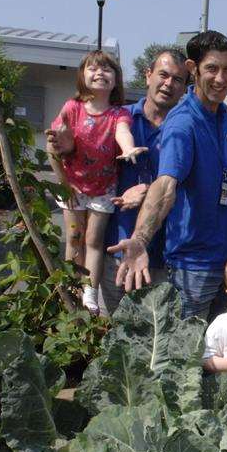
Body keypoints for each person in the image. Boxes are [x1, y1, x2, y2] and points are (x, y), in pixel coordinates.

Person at [108, 30, 227, 321]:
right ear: (193, 70)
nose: (221, 79)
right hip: (191, 268)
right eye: (212, 69)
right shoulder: (183, 123)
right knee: (185, 357)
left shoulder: (223, 114)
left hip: (222, 263)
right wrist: (140, 239)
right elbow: (165, 186)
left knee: (217, 355)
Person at [47, 50, 147, 312]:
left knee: (93, 240)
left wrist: (128, 149)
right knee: (74, 236)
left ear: (115, 80)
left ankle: (90, 290)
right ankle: (72, 284)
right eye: (93, 68)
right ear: (82, 75)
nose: (99, 73)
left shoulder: (118, 114)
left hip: (103, 188)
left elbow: (123, 132)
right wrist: (59, 142)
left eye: (106, 69)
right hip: (74, 184)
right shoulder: (73, 107)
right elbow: (58, 138)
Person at [90, 49, 188, 316]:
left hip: (162, 258)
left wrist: (145, 191)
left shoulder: (184, 130)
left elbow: (186, 185)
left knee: (153, 341)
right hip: (117, 250)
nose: (168, 84)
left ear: (184, 89)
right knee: (114, 337)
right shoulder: (118, 120)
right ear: (148, 76)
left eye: (177, 80)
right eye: (163, 75)